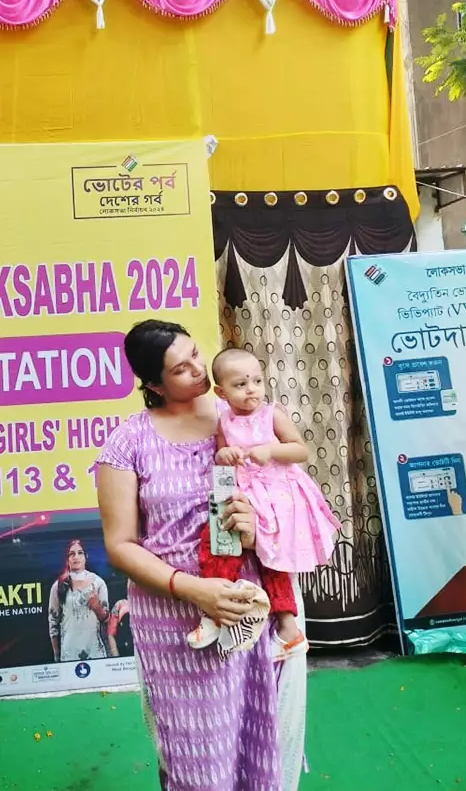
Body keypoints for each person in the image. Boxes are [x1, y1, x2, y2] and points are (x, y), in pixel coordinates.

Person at [96, 319, 299, 791]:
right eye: (180, 368)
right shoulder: (128, 442)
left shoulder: (244, 419)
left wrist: (258, 530)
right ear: (152, 385)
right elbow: (120, 545)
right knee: (196, 758)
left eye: (195, 354)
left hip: (247, 606)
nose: (197, 369)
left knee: (258, 739)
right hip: (174, 620)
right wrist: (191, 589)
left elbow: (295, 500)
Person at [193, 347, 341, 662]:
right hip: (244, 495)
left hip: (277, 496)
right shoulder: (224, 421)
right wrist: (224, 455)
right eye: (241, 384)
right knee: (221, 543)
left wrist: (271, 449)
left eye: (257, 381)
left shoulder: (271, 414)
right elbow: (221, 458)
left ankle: (289, 629)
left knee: (273, 560)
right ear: (221, 392)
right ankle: (216, 612)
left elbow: (300, 450)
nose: (252, 390)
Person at [48, 538, 129, 661]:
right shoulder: (59, 585)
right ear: (67, 559)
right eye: (72, 554)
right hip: (69, 653)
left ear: (85, 556)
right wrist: (57, 655)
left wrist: (96, 606)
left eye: (80, 553)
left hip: (95, 652)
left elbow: (107, 621)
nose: (76, 557)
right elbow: (53, 623)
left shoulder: (98, 583)